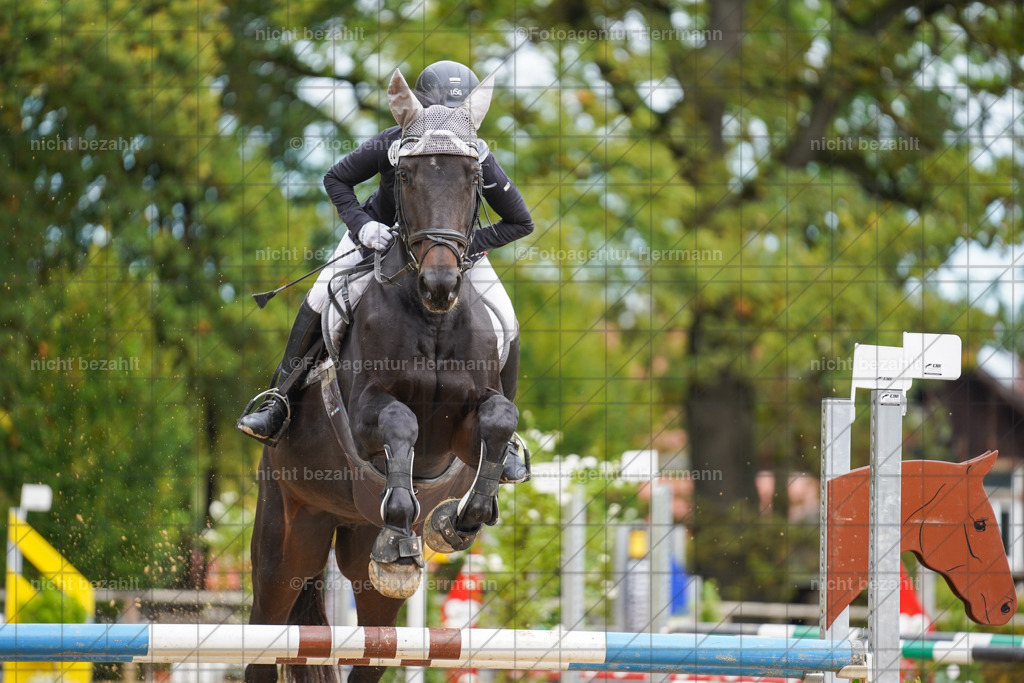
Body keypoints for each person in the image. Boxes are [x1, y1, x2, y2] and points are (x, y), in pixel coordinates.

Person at [237, 61, 533, 483]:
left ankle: (503, 441)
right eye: (433, 117)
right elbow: (336, 178)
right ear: (419, 109)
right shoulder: (391, 142)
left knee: (508, 322)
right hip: (377, 236)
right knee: (323, 296)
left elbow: (520, 221)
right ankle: (279, 400)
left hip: (451, 253)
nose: (441, 127)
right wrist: (362, 225)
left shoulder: (476, 157)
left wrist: (466, 247)